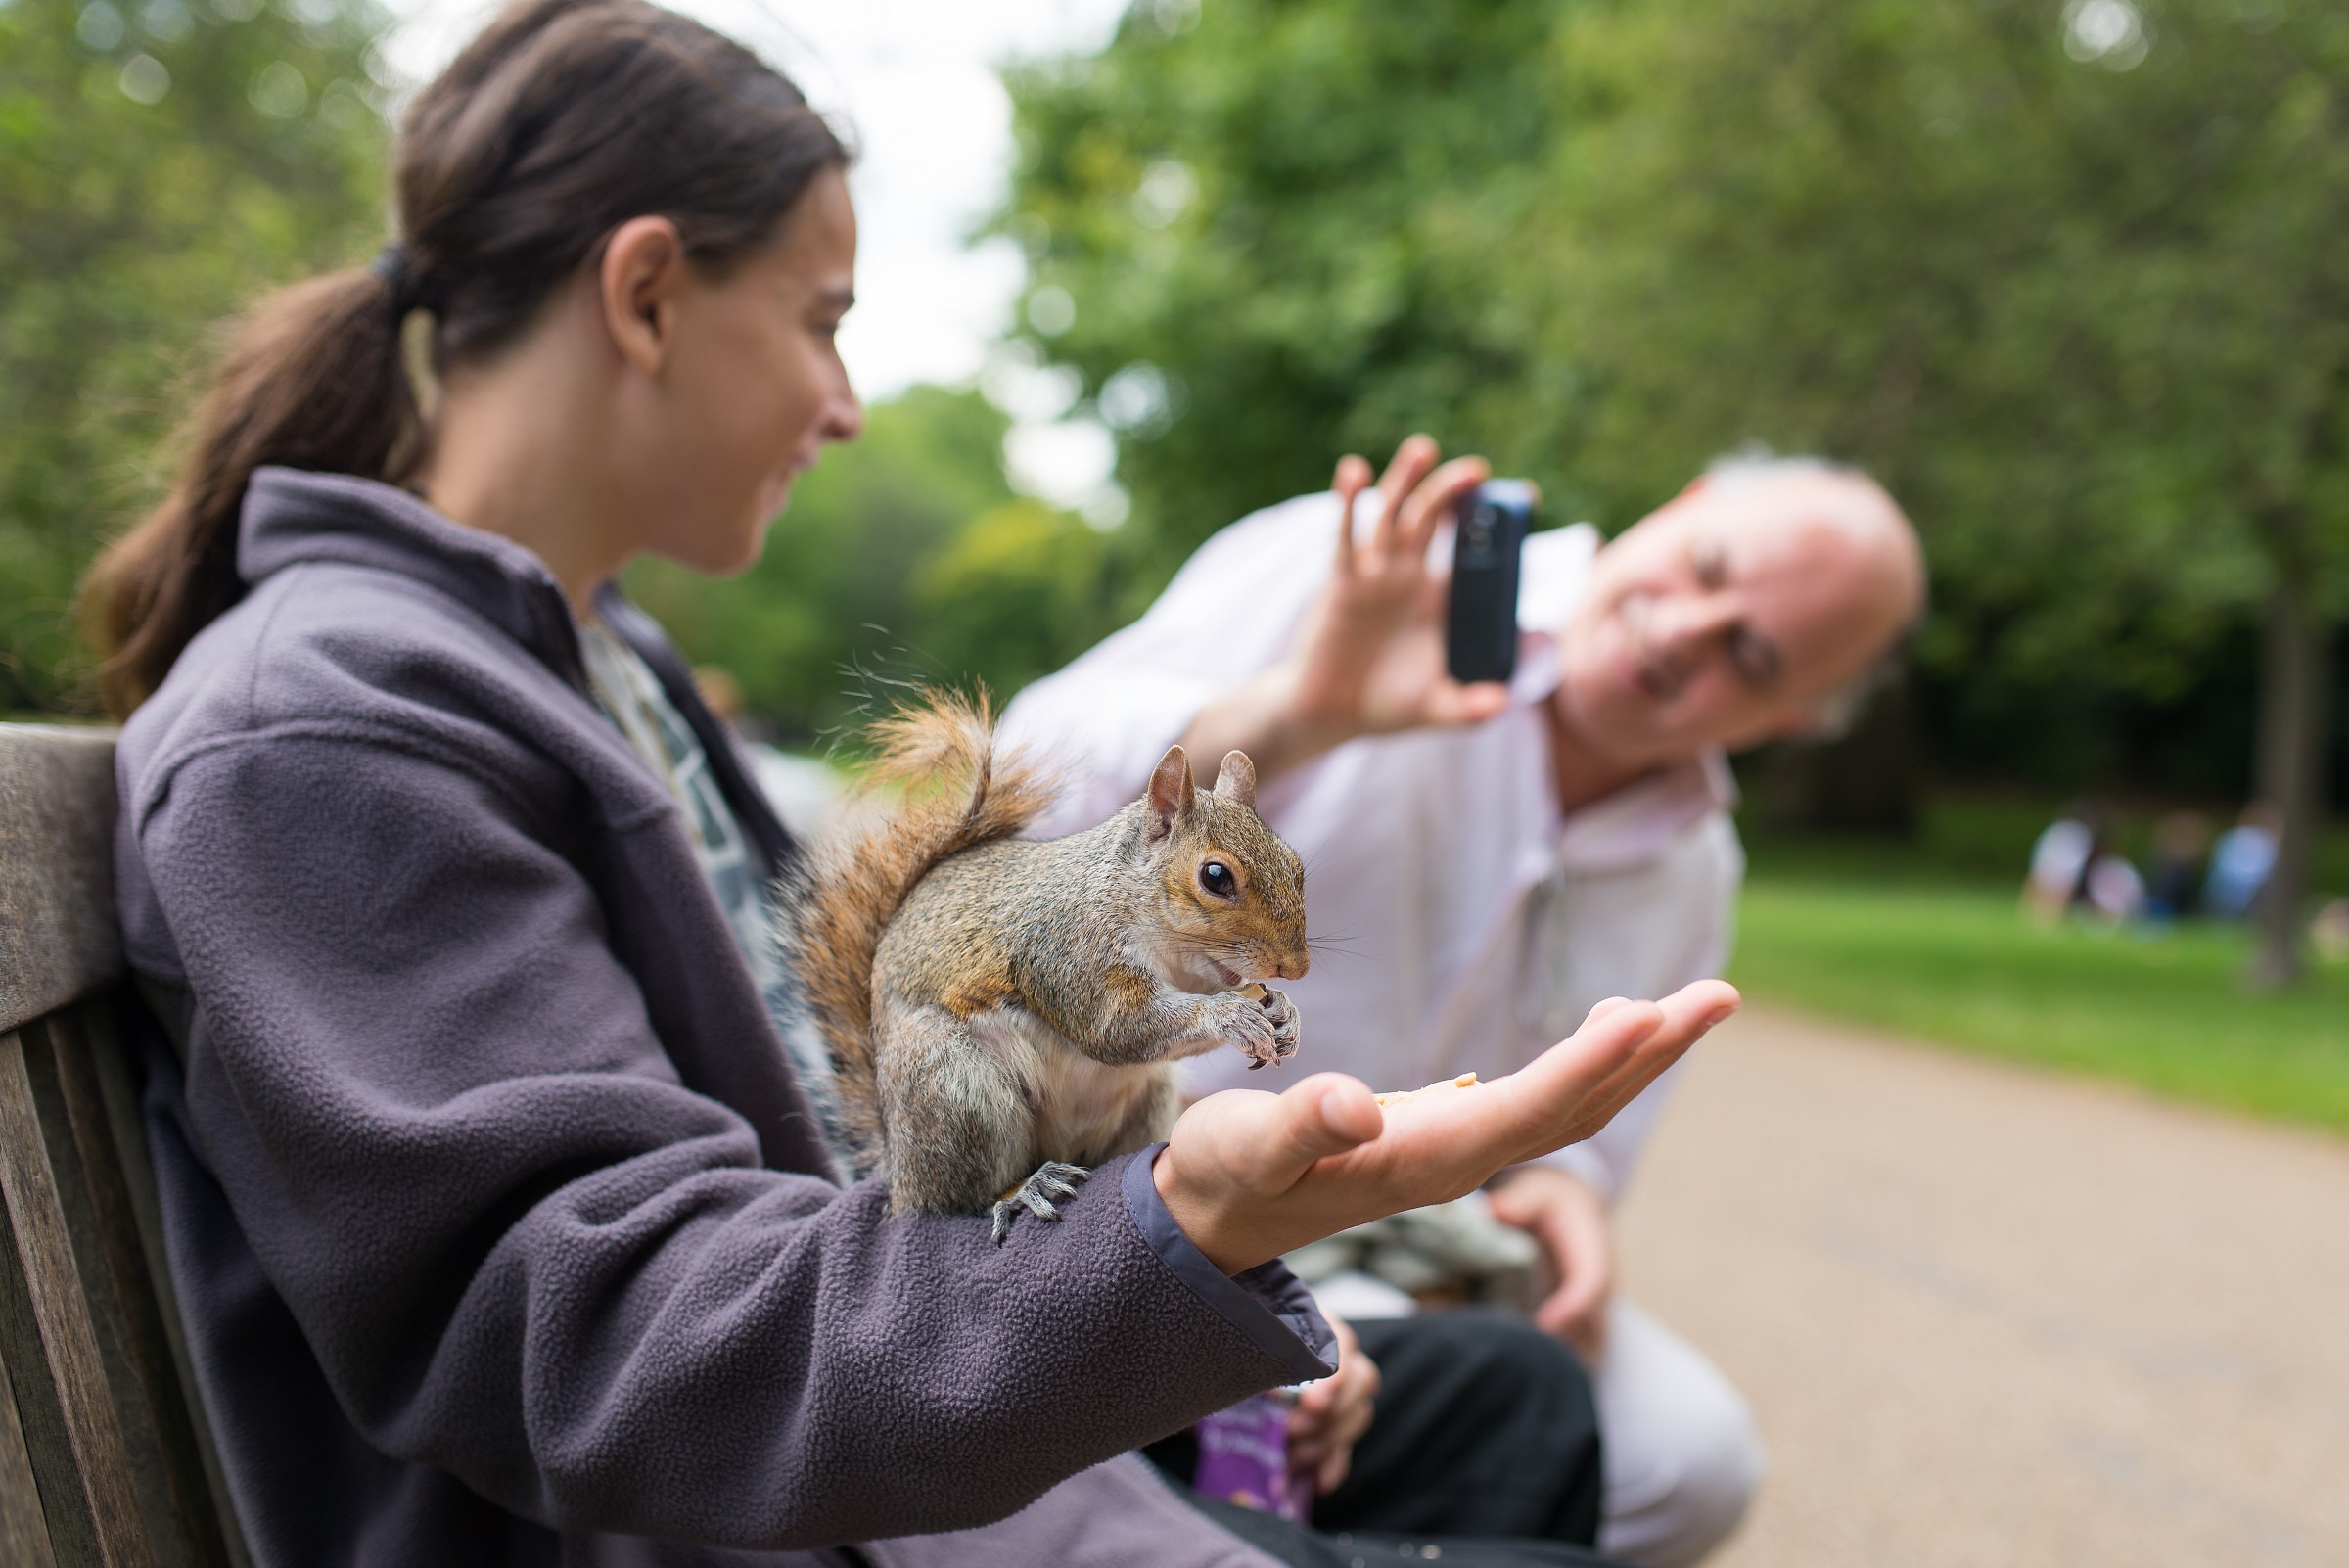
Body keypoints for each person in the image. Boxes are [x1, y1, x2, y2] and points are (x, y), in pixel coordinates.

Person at [79, 5, 1737, 1566]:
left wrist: (1160, 1276)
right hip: (777, 1502)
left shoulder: (595, 664)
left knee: (1510, 1399)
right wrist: (1164, 1240)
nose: (850, 408)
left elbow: (829, 1112)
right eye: (822, 324)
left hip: (872, 1443)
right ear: (648, 294)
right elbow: (611, 1337)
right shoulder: (330, 733)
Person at [1004, 438, 1926, 1567]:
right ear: (1678, 502)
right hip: (1121, 1180)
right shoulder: (1370, 566)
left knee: (1691, 1462)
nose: (1682, 631)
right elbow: (1017, 784)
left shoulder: (1694, 865)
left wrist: (1568, 1194)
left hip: (1409, 1254)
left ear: (1795, 718)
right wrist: (1309, 707)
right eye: (1707, 564)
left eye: (1749, 650)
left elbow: (1579, 1138)